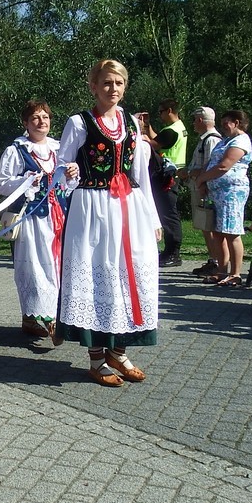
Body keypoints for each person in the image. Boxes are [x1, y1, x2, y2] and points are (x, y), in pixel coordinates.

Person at [55, 59, 160, 387]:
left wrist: (153, 218)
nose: (112, 89)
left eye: (118, 83)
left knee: (127, 276)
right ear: (93, 86)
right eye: (106, 83)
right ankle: (97, 358)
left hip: (128, 207)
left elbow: (140, 173)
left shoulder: (131, 122)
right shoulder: (79, 122)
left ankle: (120, 350)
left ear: (124, 86)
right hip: (92, 208)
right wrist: (68, 172)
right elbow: (61, 166)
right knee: (98, 273)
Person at [0, 101, 77, 343]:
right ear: (26, 123)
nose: (42, 122)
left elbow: (68, 187)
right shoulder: (17, 150)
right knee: (34, 268)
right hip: (32, 220)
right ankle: (44, 318)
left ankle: (44, 317)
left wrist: (72, 175)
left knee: (57, 267)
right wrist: (25, 181)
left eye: (45, 117)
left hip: (58, 219)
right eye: (36, 118)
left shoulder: (59, 149)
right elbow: (1, 183)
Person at [195, 110, 252, 288]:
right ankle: (221, 271)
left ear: (236, 122)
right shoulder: (225, 140)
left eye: (226, 122)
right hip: (217, 193)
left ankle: (235, 274)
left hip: (232, 193)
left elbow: (224, 166)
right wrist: (204, 181)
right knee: (219, 233)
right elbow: (212, 161)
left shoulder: (241, 141)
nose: (223, 126)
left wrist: (202, 179)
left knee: (231, 232)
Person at [139, 99, 187, 267]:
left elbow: (153, 144)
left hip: (168, 176)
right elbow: (158, 138)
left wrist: (140, 136)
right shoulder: (177, 128)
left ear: (169, 110)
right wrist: (147, 126)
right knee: (166, 212)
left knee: (168, 214)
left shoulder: (171, 131)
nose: (159, 115)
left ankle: (173, 252)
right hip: (171, 175)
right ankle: (169, 251)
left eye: (161, 112)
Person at [183, 107, 223, 277]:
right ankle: (213, 259)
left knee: (209, 226)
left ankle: (217, 262)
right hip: (200, 186)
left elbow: (210, 166)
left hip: (204, 189)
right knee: (204, 226)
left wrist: (192, 174)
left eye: (194, 120)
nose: (193, 124)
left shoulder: (211, 140)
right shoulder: (204, 139)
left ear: (200, 120)